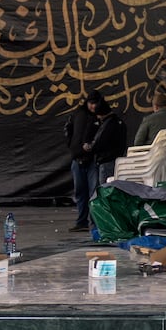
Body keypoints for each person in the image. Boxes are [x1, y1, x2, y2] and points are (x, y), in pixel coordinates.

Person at [64, 92, 102, 231]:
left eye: (95, 103)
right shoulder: (78, 114)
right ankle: (82, 221)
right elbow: (68, 130)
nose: (93, 106)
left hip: (92, 160)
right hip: (78, 158)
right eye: (91, 103)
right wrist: (74, 147)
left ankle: (94, 223)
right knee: (80, 193)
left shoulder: (101, 117)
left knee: (93, 193)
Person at [85, 97, 129, 191]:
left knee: (105, 191)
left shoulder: (107, 125)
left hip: (106, 162)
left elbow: (99, 142)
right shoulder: (119, 123)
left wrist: (90, 147)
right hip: (118, 161)